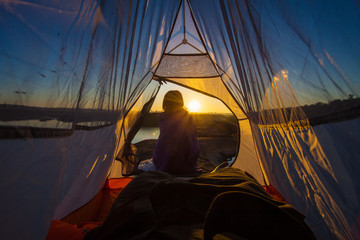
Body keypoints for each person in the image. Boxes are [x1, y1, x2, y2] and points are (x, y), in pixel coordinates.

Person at [151, 90, 200, 175]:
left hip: (165, 157)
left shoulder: (162, 117)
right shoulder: (188, 117)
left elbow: (164, 140)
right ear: (180, 102)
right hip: (185, 158)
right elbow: (193, 138)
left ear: (165, 102)